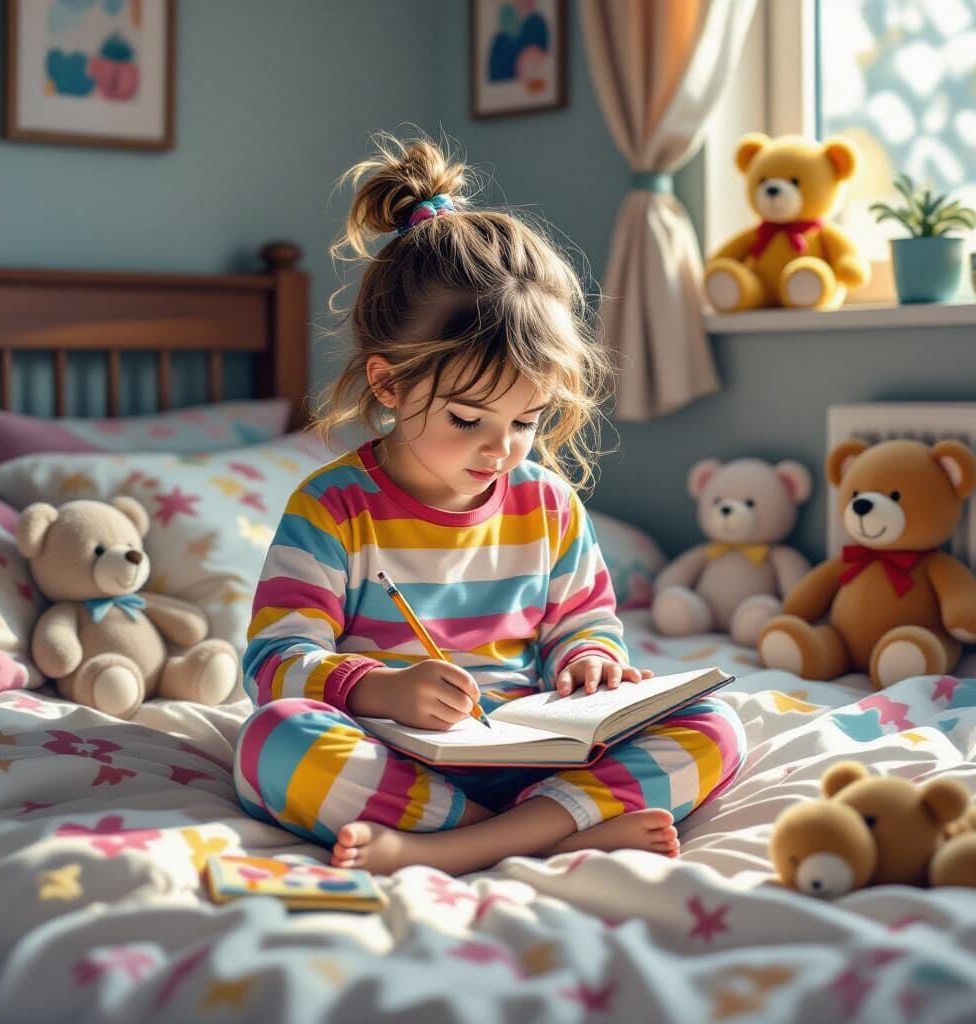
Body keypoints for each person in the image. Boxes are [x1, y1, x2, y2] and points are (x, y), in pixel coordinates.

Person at [233, 134, 746, 875]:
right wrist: (381, 689)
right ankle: (543, 835)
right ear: (388, 386)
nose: (502, 449)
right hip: (402, 759)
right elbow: (275, 662)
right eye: (468, 420)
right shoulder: (333, 507)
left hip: (535, 755)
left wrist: (591, 663)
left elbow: (586, 621)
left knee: (716, 723)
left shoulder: (546, 502)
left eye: (527, 421)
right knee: (273, 742)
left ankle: (464, 846)